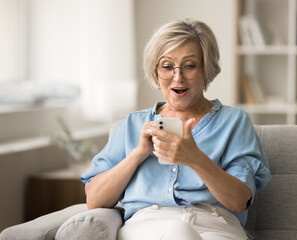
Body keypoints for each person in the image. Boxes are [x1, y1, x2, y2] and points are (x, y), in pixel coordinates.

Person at [80, 18, 271, 240]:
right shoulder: (132, 124)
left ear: (206, 70)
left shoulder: (235, 121)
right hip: (148, 226)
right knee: (177, 232)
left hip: (216, 227)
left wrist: (195, 159)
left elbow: (239, 201)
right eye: (167, 66)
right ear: (156, 71)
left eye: (189, 66)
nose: (177, 77)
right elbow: (94, 201)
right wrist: (138, 154)